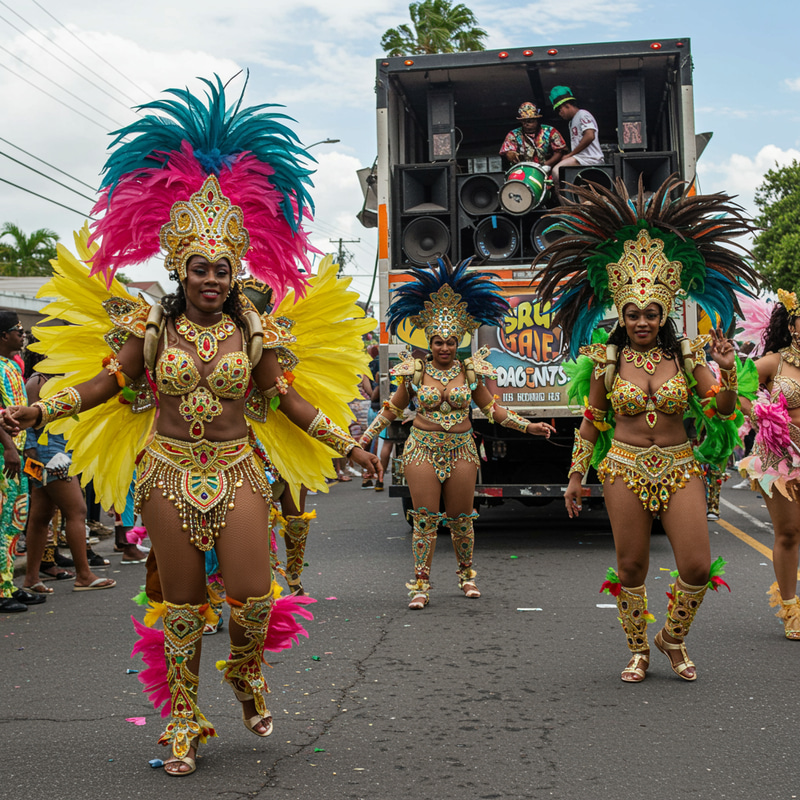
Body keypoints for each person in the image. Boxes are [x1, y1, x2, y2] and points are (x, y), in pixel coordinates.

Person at [0, 77, 380, 775]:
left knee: (252, 602)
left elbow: (288, 402)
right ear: (179, 267)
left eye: (223, 269)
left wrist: (349, 443)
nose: (211, 278)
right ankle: (181, 720)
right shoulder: (152, 328)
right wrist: (42, 407)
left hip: (237, 468)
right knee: (179, 606)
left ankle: (243, 671)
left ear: (237, 273)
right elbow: (108, 384)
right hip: (167, 471)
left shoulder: (254, 333)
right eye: (199, 268)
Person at [534, 175, 761, 682]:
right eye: (633, 313)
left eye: (651, 313)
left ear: (664, 313)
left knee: (697, 567)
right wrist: (576, 477)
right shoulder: (604, 363)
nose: (641, 320)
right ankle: (638, 649)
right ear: (622, 312)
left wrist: (725, 371)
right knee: (631, 567)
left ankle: (672, 638)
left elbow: (721, 411)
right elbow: (591, 423)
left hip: (681, 465)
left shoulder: (688, 357)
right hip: (623, 467)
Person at [359, 259, 555, 609]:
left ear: (458, 341)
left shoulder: (470, 371)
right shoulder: (415, 373)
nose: (445, 348)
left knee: (462, 518)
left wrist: (529, 425)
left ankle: (466, 576)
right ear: (429, 342)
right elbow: (392, 408)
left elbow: (493, 410)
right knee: (425, 519)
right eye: (438, 342)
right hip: (422, 448)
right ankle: (420, 584)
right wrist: (365, 436)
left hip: (462, 448)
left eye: (450, 342)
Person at [21, 359, 116, 593]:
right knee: (77, 511)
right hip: (49, 455)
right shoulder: (37, 381)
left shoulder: (59, 379)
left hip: (60, 451)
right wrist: (35, 458)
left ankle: (31, 578)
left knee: (41, 516)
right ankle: (84, 575)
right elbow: (28, 424)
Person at [738, 290, 800, 639]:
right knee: (789, 533)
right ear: (792, 325)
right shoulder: (774, 362)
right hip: (780, 459)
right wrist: (759, 414)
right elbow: (738, 387)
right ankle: (791, 609)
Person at [0, 312, 45, 613]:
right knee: (3, 522)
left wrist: (25, 449)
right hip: (5, 457)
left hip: (17, 455)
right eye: (18, 330)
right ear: (3, 335)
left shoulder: (13, 367)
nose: (23, 334)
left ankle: (7, 584)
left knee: (16, 520)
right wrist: (8, 449)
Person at [548, 86, 604, 185]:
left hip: (590, 158)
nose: (560, 114)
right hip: (581, 158)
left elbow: (590, 136)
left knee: (557, 171)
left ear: (567, 105)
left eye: (559, 110)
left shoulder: (583, 114)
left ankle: (566, 200)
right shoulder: (572, 122)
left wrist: (571, 154)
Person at [499, 101, 567, 170]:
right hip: (523, 171)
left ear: (536, 120)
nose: (526, 124)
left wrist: (546, 165)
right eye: (523, 121)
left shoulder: (550, 131)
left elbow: (559, 151)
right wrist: (510, 154)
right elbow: (508, 152)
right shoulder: (513, 134)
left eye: (530, 121)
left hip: (549, 169)